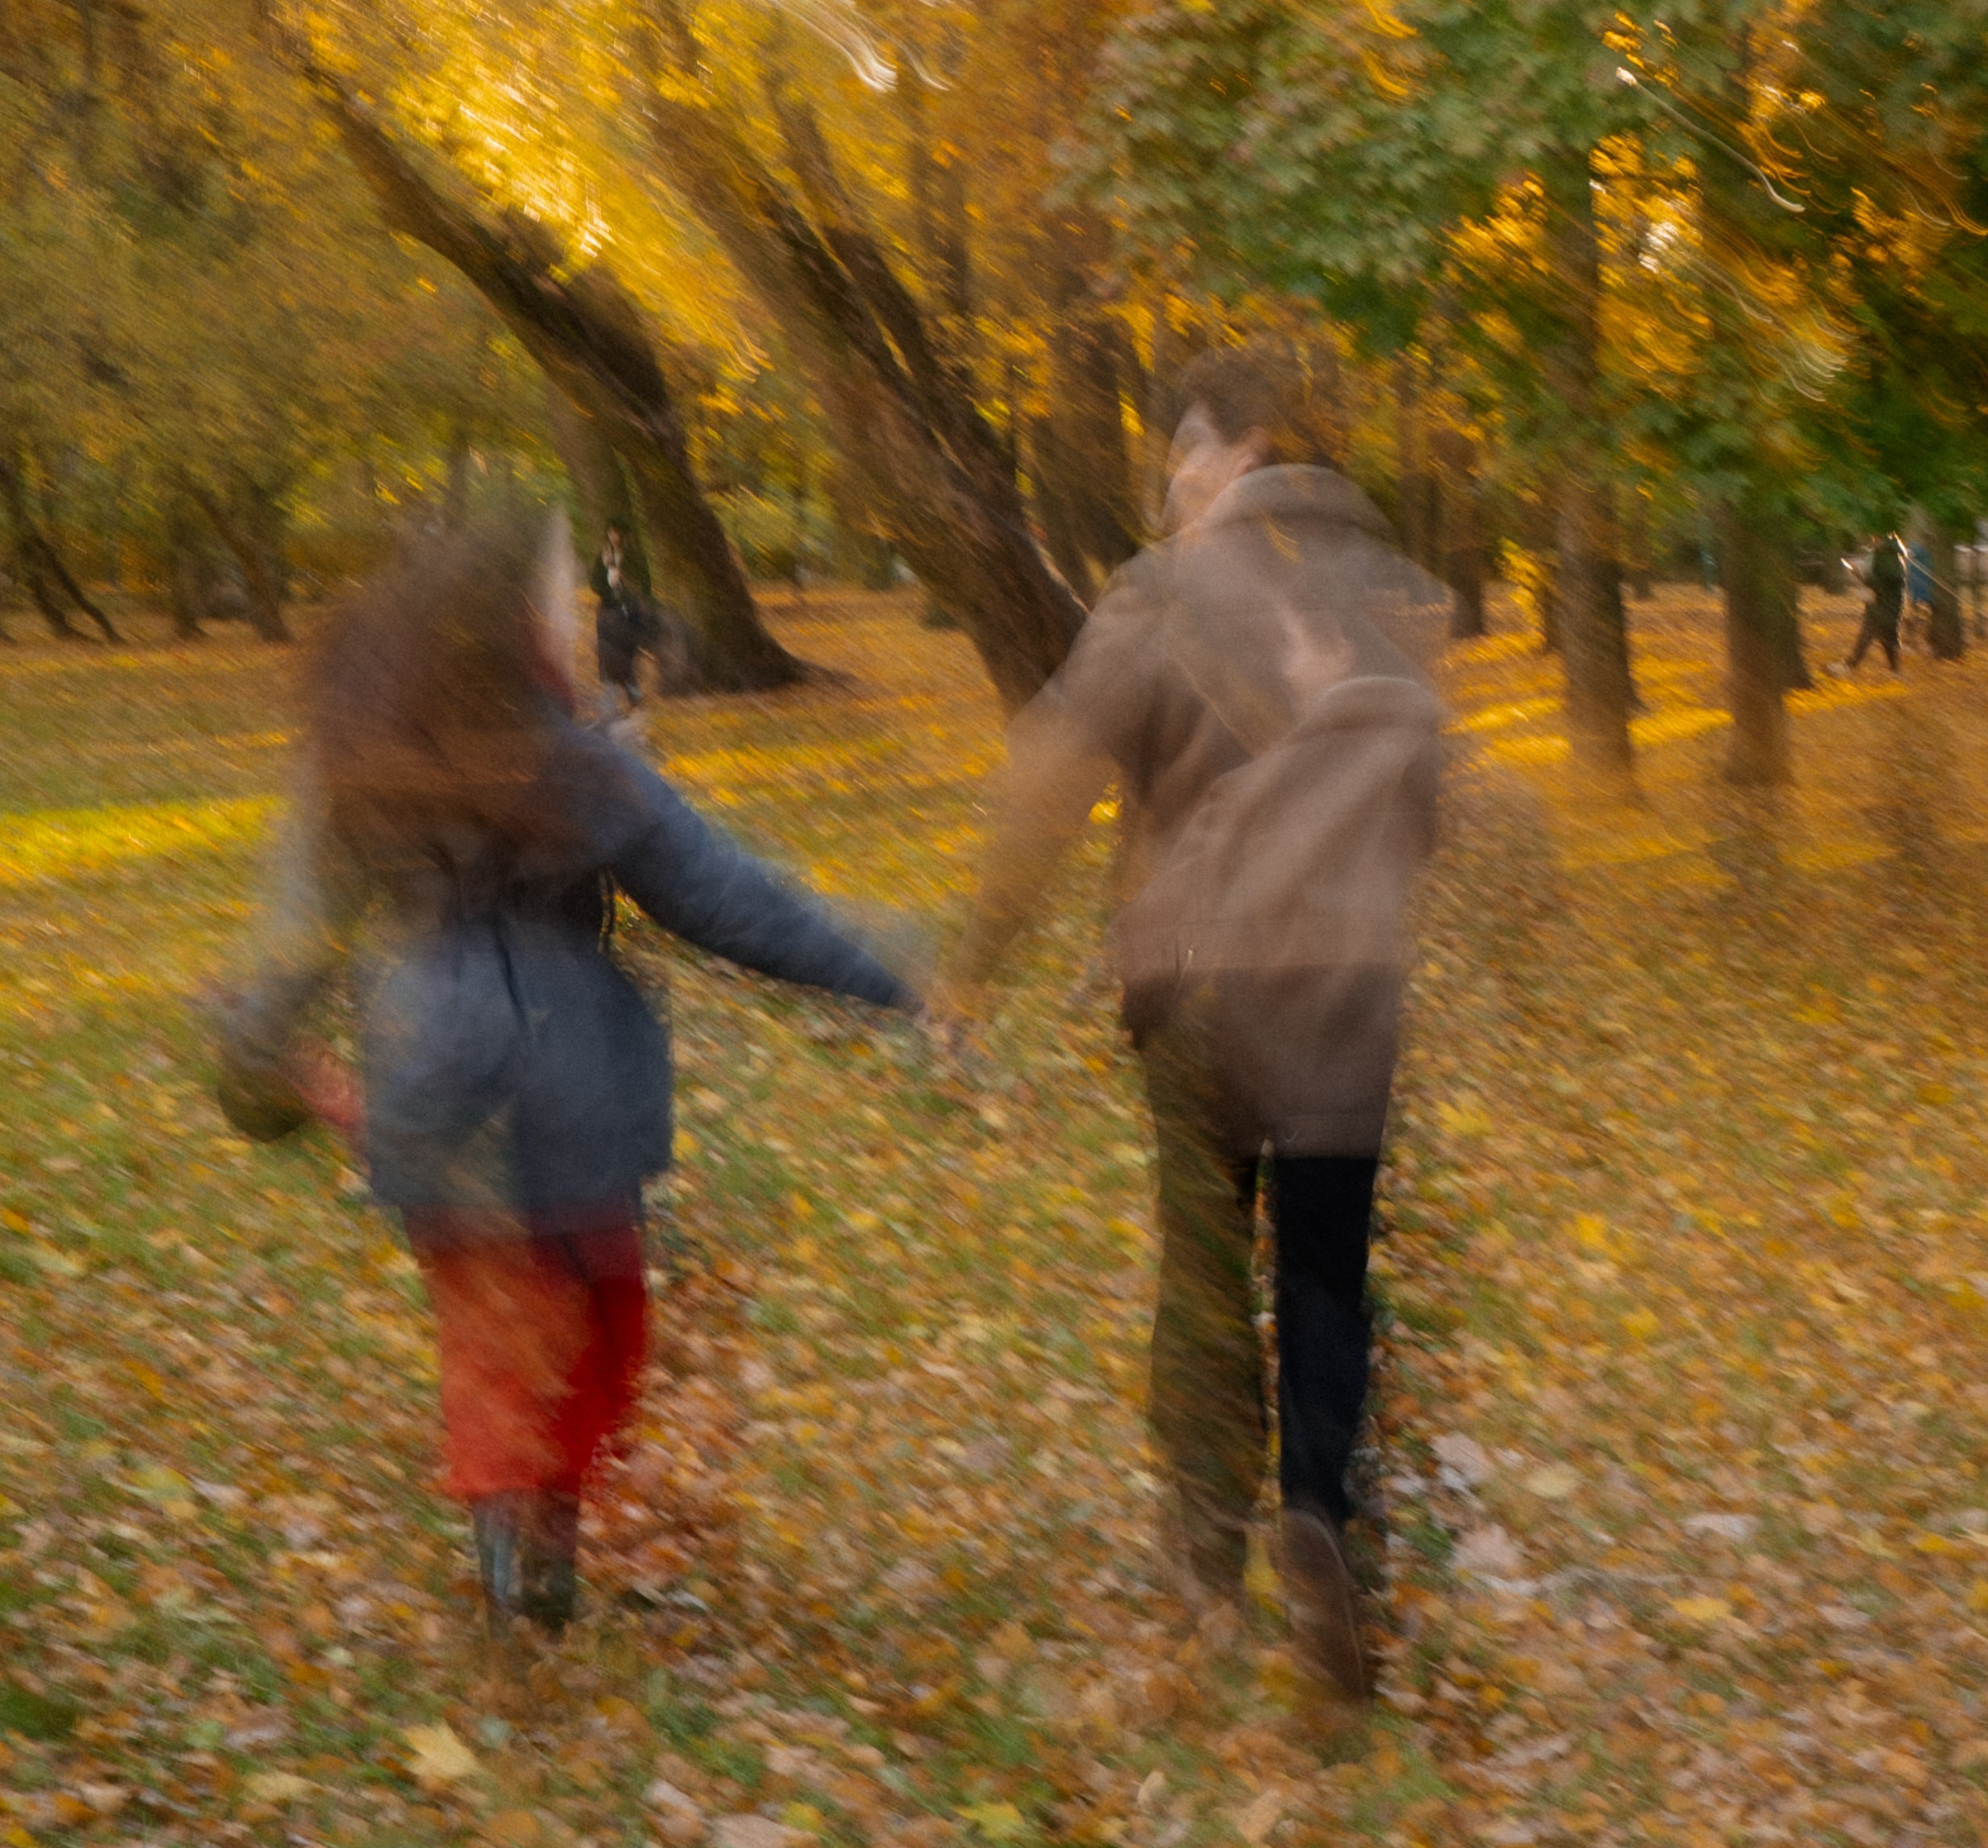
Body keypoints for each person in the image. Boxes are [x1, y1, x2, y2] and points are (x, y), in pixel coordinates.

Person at [212, 512, 918, 1635]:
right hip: (574, 1092)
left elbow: (297, 939)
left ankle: (524, 1550)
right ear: (506, 624)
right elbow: (731, 900)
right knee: (589, 1325)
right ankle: (530, 1566)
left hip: (435, 1085)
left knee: (500, 1333)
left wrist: (253, 1047)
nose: (574, 617)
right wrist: (896, 973)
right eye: (555, 594)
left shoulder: (360, 761)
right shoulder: (581, 767)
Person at [937, 346, 1441, 1703]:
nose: (1170, 482)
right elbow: (1421, 802)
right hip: (1349, 990)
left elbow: (1051, 776)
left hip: (1203, 987)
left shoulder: (1161, 597)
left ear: (1241, 451)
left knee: (1205, 1278)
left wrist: (975, 963)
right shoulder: (1373, 590)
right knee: (1329, 1277)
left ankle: (1208, 1573)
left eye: (1184, 452)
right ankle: (1325, 1526)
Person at [589, 524, 651, 720]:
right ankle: (609, 707)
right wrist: (607, 584)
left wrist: (622, 578)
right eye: (610, 532)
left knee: (626, 659)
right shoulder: (603, 556)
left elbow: (644, 586)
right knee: (607, 659)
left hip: (629, 614)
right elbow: (595, 582)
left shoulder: (634, 558)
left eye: (617, 532)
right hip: (608, 613)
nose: (613, 536)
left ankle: (635, 698)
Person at [1846, 532, 1906, 674]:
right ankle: (1895, 671)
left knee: (1874, 635)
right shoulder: (1883, 556)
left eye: (1876, 538)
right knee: (1884, 637)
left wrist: (1861, 576)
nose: (1873, 540)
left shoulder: (1890, 559)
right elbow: (1877, 581)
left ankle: (1850, 666)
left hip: (1887, 604)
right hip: (1881, 603)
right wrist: (1862, 576)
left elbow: (1884, 583)